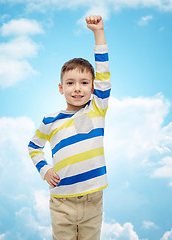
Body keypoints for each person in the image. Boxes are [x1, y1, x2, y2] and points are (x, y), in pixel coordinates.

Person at [28, 15, 110, 239]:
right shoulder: (50, 120)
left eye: (84, 83)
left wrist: (98, 33)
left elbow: (103, 74)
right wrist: (45, 170)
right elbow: (33, 147)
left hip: (93, 201)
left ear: (93, 88)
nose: (77, 88)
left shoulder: (96, 109)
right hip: (61, 202)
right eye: (70, 83)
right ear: (60, 88)